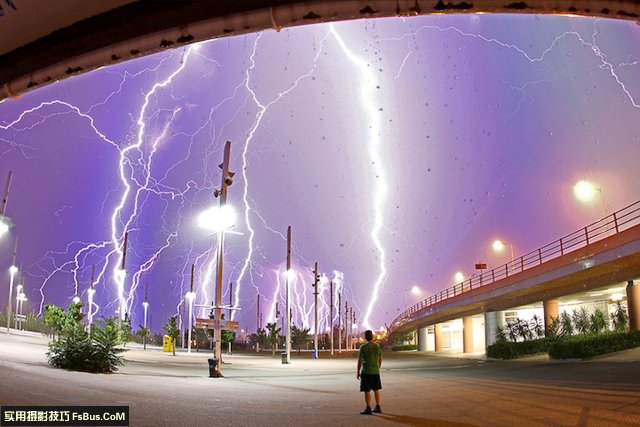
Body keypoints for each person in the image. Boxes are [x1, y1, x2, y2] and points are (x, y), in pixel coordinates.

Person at [356, 329, 382, 415]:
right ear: (372, 336)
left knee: (367, 390)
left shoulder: (363, 347)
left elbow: (360, 360)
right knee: (376, 389)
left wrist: (358, 371)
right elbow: (380, 358)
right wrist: (378, 367)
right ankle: (378, 406)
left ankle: (368, 407)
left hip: (366, 371)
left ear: (365, 337)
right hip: (375, 371)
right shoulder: (377, 346)